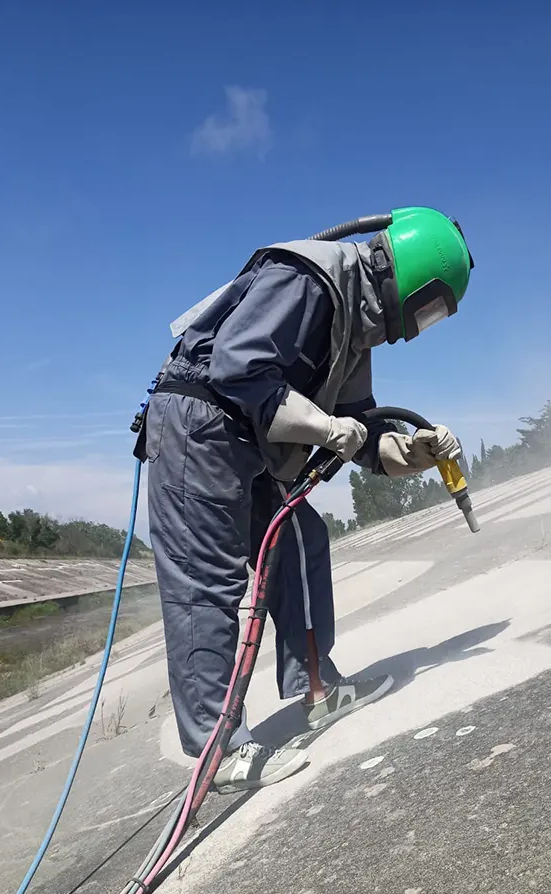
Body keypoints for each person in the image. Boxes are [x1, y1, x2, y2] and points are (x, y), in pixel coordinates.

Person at [140, 206, 473, 791]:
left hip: (252, 439)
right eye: (430, 308)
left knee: (300, 540)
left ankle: (316, 688)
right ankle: (218, 752)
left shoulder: (354, 329)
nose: (422, 324)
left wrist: (415, 453)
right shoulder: (312, 275)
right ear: (412, 276)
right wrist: (322, 428)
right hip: (198, 424)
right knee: (206, 581)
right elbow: (236, 365)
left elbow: (364, 439)